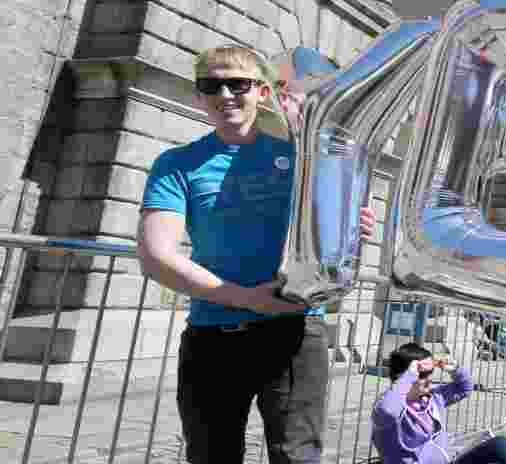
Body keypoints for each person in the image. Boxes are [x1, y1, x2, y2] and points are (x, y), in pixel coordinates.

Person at [137, 45, 376, 463]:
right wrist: (247, 298)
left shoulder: (303, 159)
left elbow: (332, 239)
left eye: (238, 83)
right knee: (212, 456)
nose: (225, 94)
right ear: (199, 96)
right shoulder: (176, 164)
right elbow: (156, 256)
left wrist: (351, 228)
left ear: (263, 93)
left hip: (295, 333)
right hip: (213, 336)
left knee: (296, 457)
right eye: (212, 85)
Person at [371, 343, 506, 464]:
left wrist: (454, 369)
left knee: (500, 445)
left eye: (430, 373)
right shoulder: (388, 405)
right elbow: (388, 411)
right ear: (402, 377)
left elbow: (464, 388)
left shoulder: (432, 397)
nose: (429, 379)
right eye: (422, 374)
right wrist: (410, 375)